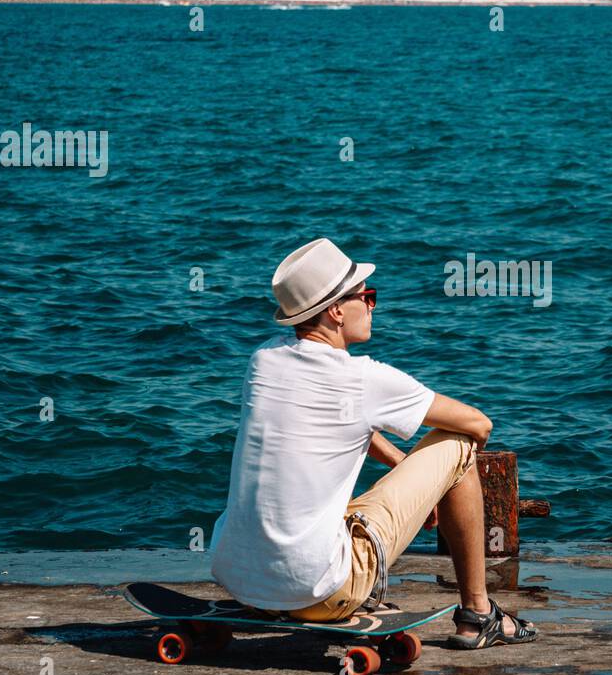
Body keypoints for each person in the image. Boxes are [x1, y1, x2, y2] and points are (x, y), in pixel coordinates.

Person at [209, 237, 536, 649]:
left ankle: (277, 590)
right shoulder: (364, 379)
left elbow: (341, 419)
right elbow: (479, 424)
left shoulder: (263, 362)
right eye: (368, 296)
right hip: (323, 593)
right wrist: (432, 481)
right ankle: (479, 613)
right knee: (459, 444)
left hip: (242, 580)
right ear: (335, 310)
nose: (372, 306)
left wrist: (407, 468)